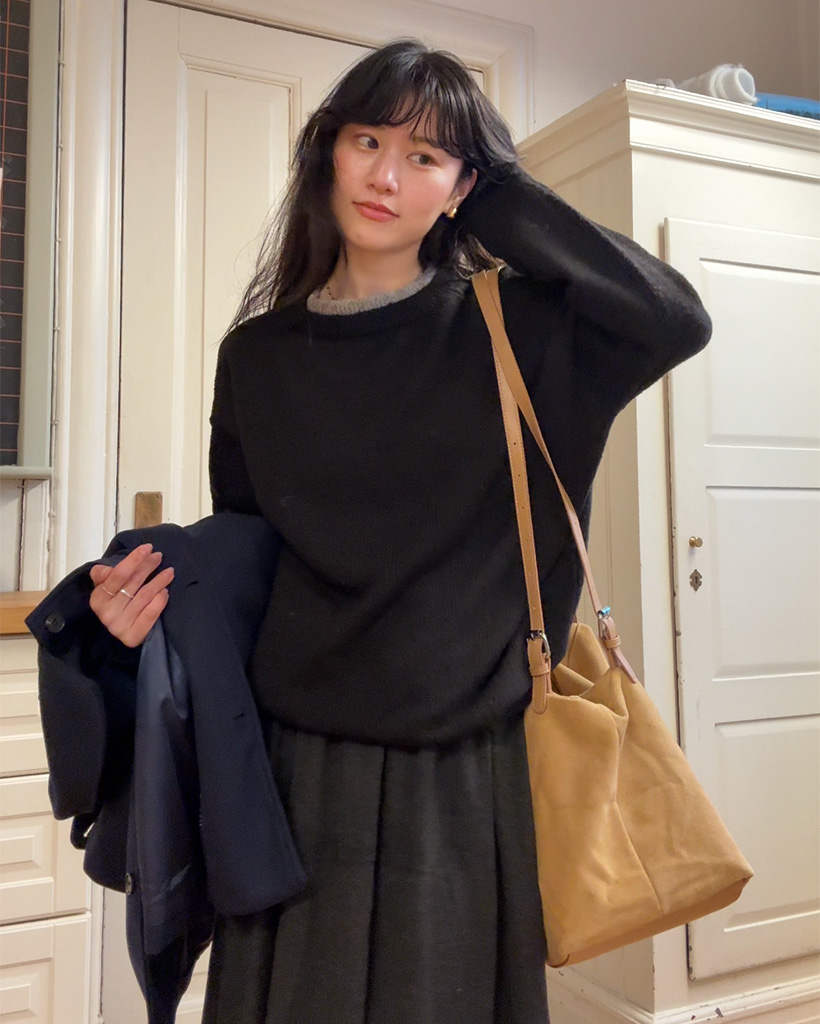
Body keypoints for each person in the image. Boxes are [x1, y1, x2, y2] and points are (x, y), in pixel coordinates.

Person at [88, 38, 711, 1024]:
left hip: (463, 776)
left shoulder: (519, 331)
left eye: (424, 156)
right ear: (327, 152)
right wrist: (149, 615)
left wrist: (494, 191)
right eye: (368, 141)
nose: (384, 177)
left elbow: (672, 319)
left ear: (466, 184)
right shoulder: (257, 356)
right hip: (293, 771)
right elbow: (251, 556)